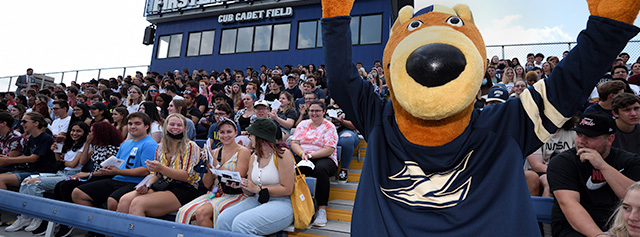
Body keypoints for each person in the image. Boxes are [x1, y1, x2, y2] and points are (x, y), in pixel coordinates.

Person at [548, 113, 640, 236]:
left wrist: (603, 166)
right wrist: (600, 236)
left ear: (610, 140)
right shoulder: (562, 162)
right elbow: (569, 204)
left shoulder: (630, 161)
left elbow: (635, 199)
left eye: (590, 137)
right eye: (579, 135)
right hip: (574, 228)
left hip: (620, 225)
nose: (581, 141)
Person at [216, 118, 295, 235]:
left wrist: (258, 189)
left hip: (282, 202)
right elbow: (250, 192)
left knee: (241, 224)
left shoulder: (282, 153)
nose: (249, 138)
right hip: (257, 199)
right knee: (223, 219)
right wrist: (242, 185)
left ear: (261, 138)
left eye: (251, 135)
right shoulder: (254, 156)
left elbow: (287, 189)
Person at [116, 114, 200, 217]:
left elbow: (186, 176)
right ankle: (123, 232)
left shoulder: (191, 146)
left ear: (184, 128)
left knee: (138, 203)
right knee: (124, 200)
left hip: (184, 188)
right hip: (163, 184)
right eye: (172, 124)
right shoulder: (160, 147)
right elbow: (155, 174)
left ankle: (137, 232)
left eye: (179, 125)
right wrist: (147, 185)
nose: (175, 127)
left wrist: (162, 168)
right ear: (166, 126)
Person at [71, 112, 158, 211]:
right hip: (116, 179)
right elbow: (118, 164)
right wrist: (108, 168)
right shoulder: (126, 144)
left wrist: (117, 171)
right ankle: (95, 221)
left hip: (134, 182)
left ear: (146, 126)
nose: (133, 126)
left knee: (112, 201)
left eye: (137, 124)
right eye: (130, 124)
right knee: (78, 193)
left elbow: (146, 170)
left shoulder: (149, 144)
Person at [14, 122, 90, 234]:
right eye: (73, 130)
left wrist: (62, 162)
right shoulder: (70, 144)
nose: (75, 133)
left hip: (71, 175)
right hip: (61, 172)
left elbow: (73, 164)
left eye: (79, 131)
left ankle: (38, 216)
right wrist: (55, 151)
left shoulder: (85, 146)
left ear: (85, 133)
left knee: (35, 183)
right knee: (26, 181)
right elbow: (59, 160)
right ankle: (25, 216)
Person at [175, 118, 250, 227]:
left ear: (236, 133)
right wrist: (208, 166)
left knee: (202, 213)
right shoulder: (214, 152)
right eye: (222, 132)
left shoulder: (243, 151)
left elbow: (237, 178)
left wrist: (217, 164)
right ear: (218, 134)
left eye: (229, 132)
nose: (225, 135)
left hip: (236, 194)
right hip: (216, 192)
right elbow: (207, 184)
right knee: (183, 211)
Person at [51, 122, 122, 236]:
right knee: (60, 185)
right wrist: (88, 143)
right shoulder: (96, 146)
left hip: (103, 176)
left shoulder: (111, 148)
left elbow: (109, 171)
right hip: (92, 174)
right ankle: (63, 219)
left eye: (92, 131)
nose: (90, 134)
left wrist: (88, 174)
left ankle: (70, 220)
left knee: (67, 186)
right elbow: (83, 161)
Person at [290, 100, 339, 227]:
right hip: (303, 155)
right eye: (312, 111)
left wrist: (310, 156)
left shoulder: (329, 126)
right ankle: (294, 203)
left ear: (324, 112)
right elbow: (294, 143)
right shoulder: (303, 124)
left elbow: (329, 149)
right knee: (289, 165)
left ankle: (322, 209)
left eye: (317, 111)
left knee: (320, 169)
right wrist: (302, 154)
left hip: (323, 157)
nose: (314, 113)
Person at [0, 112, 55, 190]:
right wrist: (5, 157)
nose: (21, 124)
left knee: (1, 179)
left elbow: (33, 158)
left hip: (43, 172)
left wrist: (7, 160)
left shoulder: (46, 138)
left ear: (36, 123)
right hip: (31, 170)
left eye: (24, 121)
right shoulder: (32, 138)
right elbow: (25, 156)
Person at [326, 103, 358, 184]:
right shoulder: (327, 108)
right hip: (328, 131)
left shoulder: (350, 107)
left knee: (347, 139)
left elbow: (354, 125)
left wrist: (342, 121)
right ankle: (330, 170)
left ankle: (343, 170)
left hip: (346, 130)